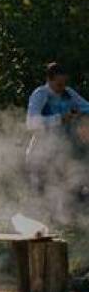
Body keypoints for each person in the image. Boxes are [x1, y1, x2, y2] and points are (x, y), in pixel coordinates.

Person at [25, 61, 89, 194]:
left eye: (65, 83)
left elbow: (86, 107)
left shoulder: (68, 93)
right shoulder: (40, 94)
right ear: (49, 79)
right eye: (59, 84)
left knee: (65, 199)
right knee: (41, 200)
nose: (63, 87)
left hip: (62, 157)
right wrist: (59, 119)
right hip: (41, 157)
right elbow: (31, 123)